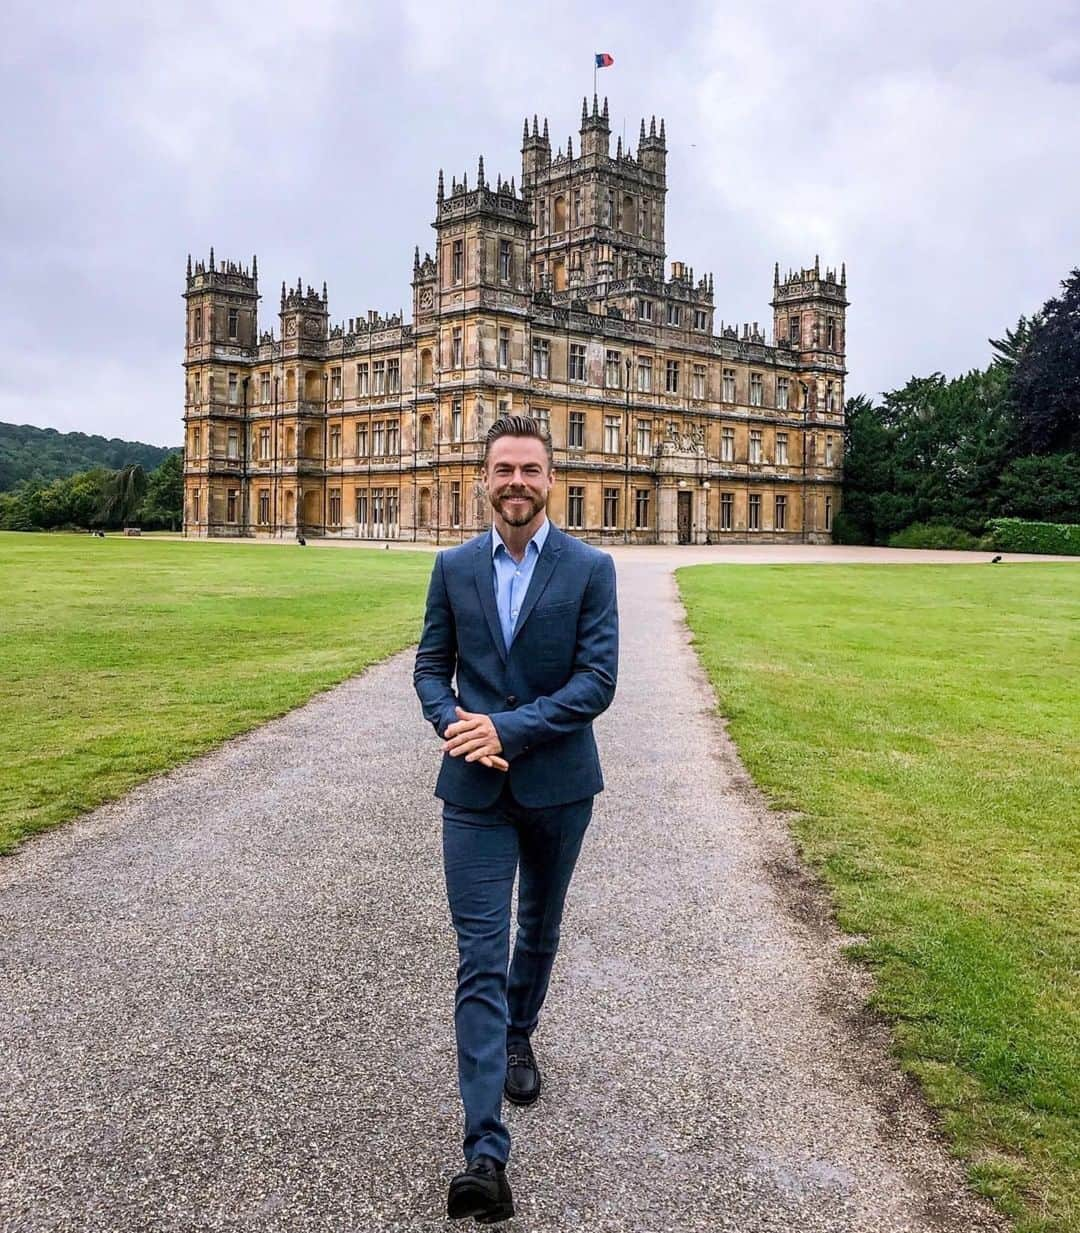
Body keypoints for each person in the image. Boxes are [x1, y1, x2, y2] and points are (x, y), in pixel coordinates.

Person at [413, 415, 619, 1223]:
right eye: (504, 469)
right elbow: (432, 667)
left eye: (531, 469)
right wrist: (455, 722)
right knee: (479, 952)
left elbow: (597, 680)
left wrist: (509, 726)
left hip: (559, 782)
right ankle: (484, 1153)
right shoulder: (453, 566)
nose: (517, 482)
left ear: (551, 479)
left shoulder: (590, 567)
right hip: (471, 787)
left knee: (539, 927)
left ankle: (522, 1031)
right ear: (483, 478)